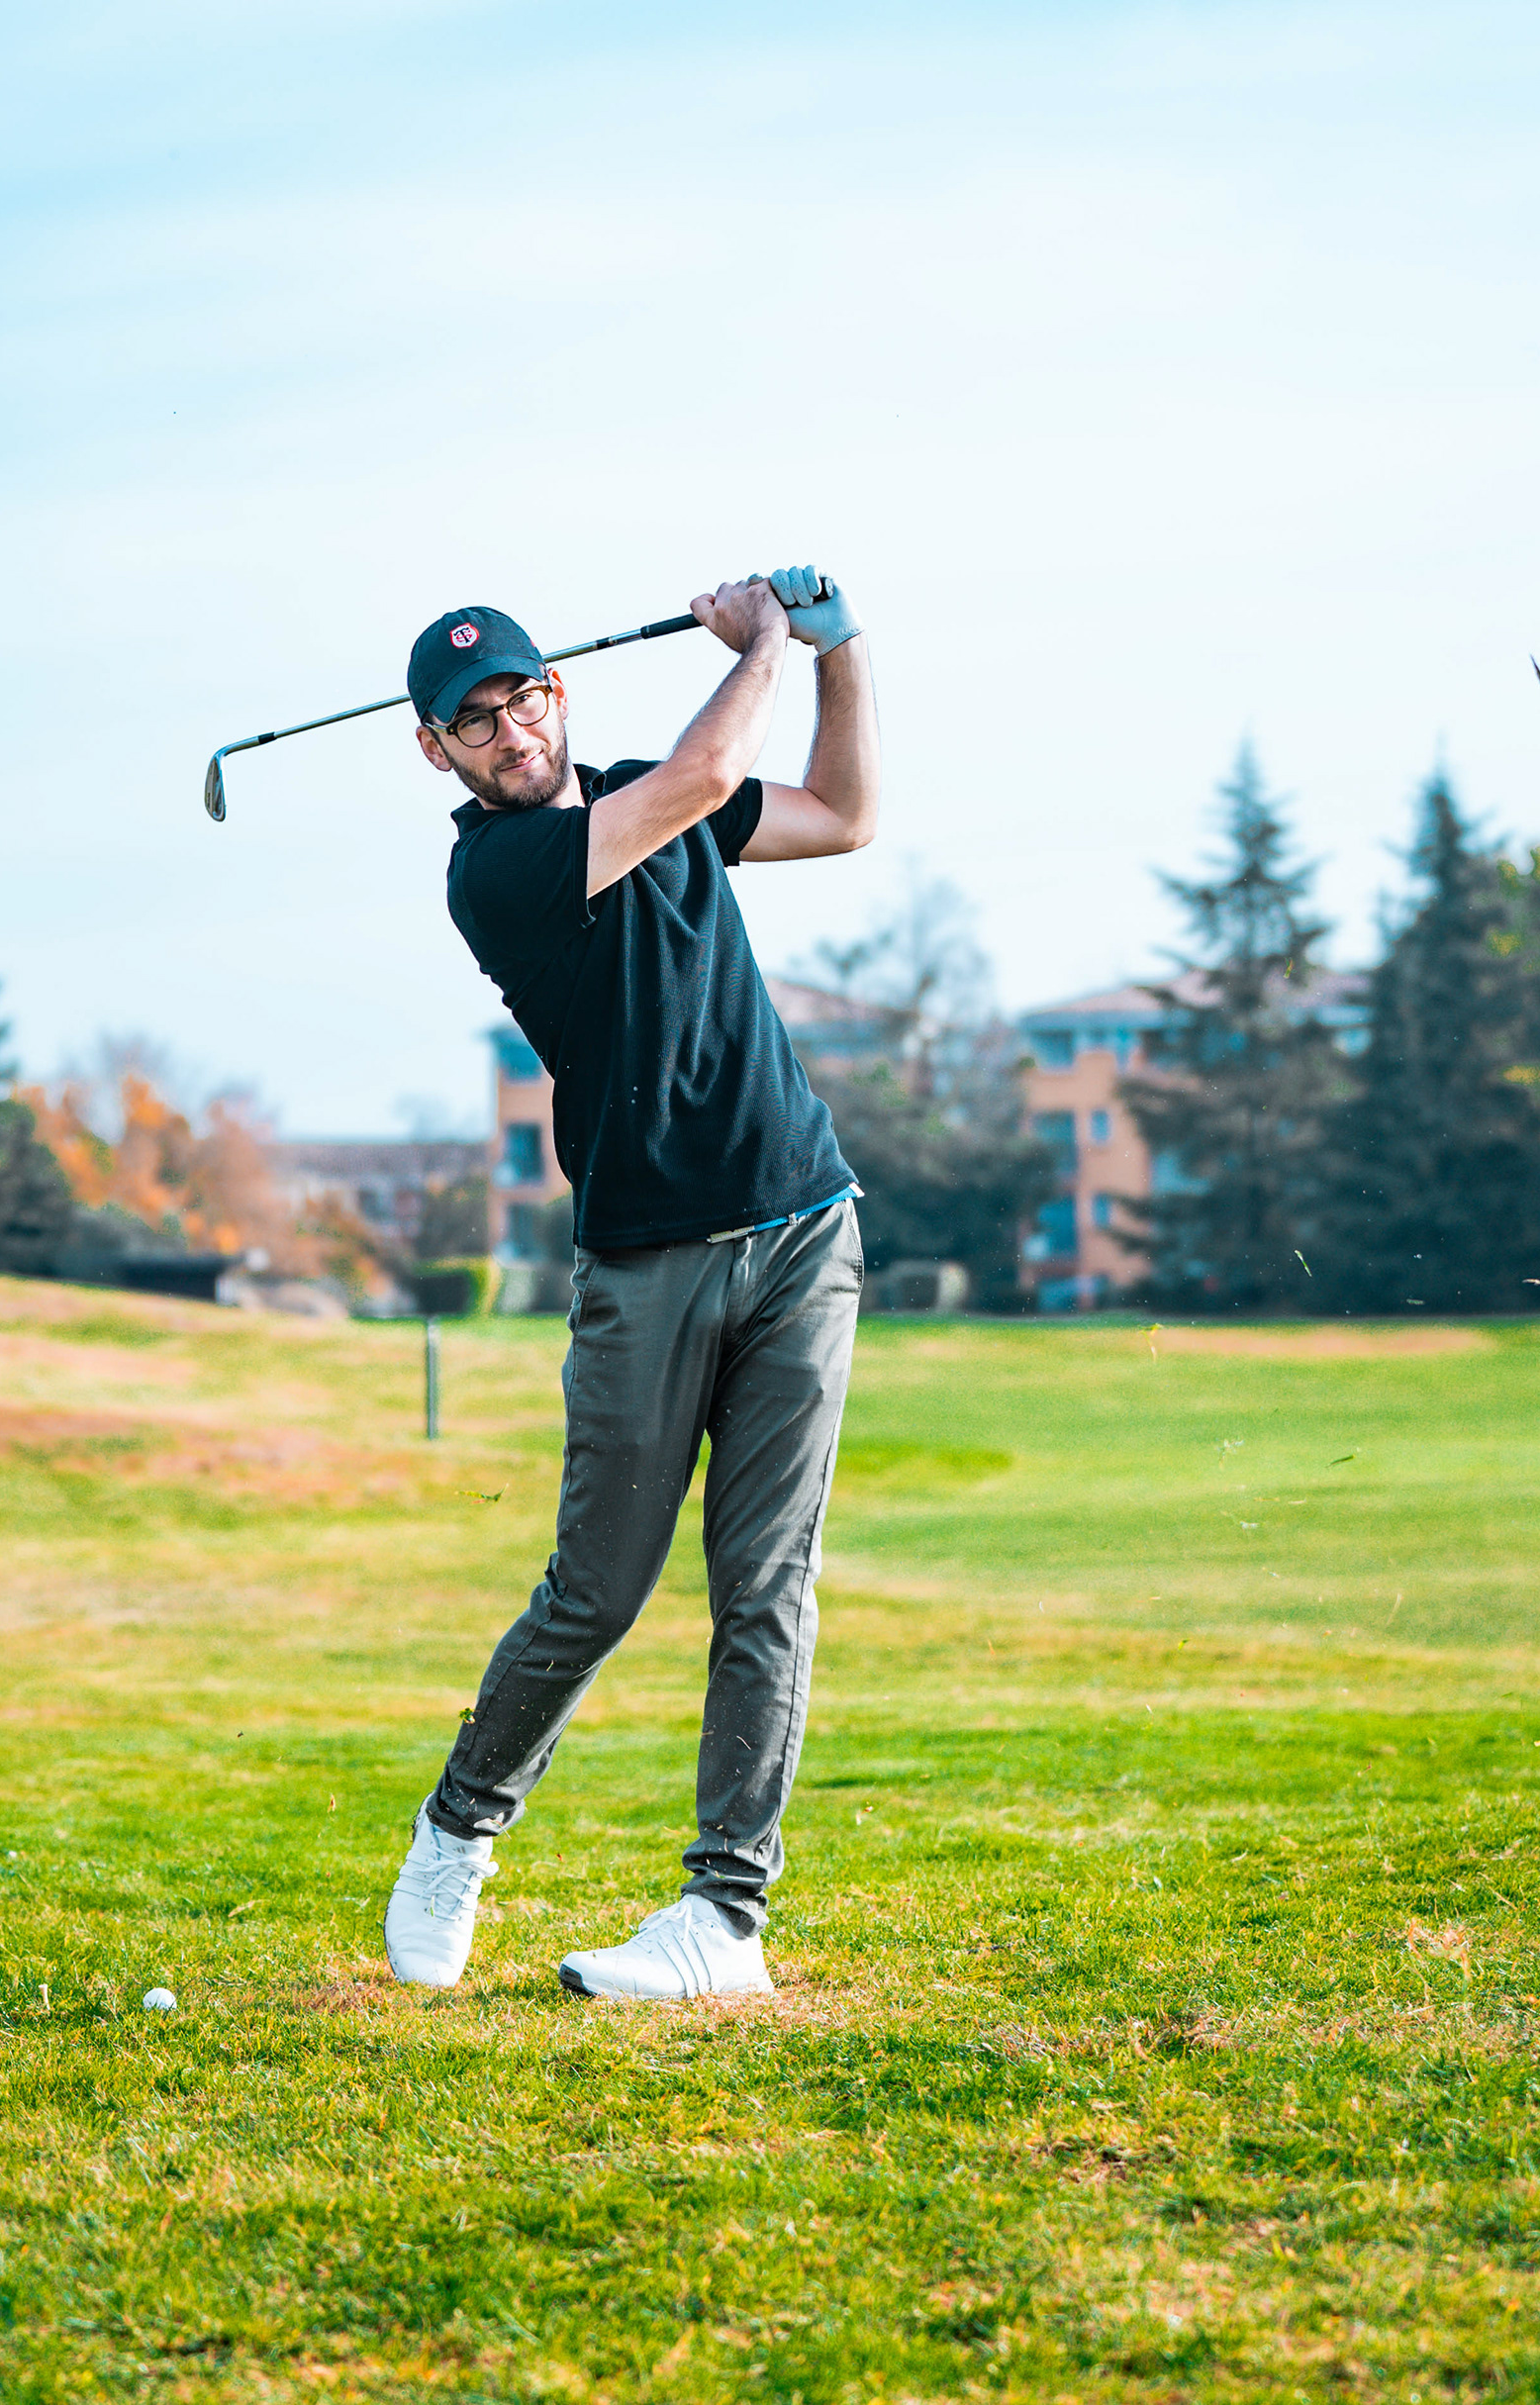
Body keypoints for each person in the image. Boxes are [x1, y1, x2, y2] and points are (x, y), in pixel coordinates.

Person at [383, 567, 881, 1999]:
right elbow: (708, 772)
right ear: (437, 752)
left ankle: (724, 1918)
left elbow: (843, 814)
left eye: (523, 697)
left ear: (560, 693)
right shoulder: (499, 871)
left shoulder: (647, 797)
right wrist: (764, 639)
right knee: (596, 1589)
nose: (510, 731)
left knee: (766, 1588)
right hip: (647, 1258)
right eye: (474, 720)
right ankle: (458, 1830)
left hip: (803, 1227)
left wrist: (840, 650)